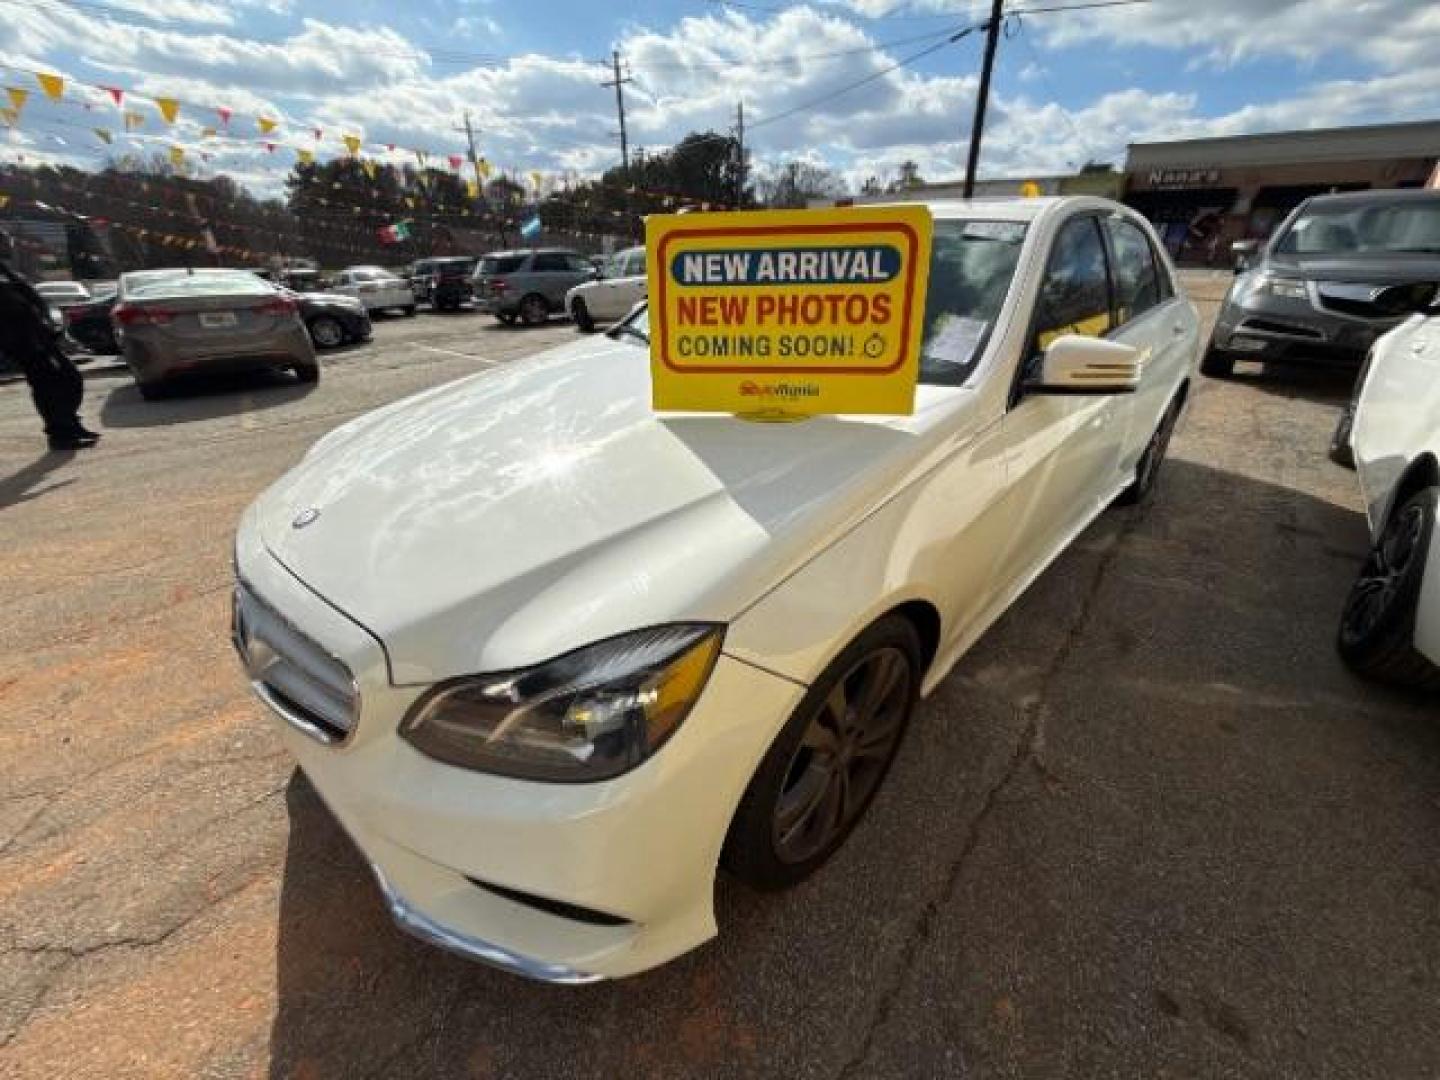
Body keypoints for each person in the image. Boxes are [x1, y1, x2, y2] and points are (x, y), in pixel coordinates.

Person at [0, 231, 99, 451]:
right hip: (20, 340)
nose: (7, 244)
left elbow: (31, 298)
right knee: (46, 385)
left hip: (40, 333)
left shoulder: (6, 271)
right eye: (3, 241)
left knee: (70, 377)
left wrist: (46, 319)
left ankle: (71, 423)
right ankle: (60, 433)